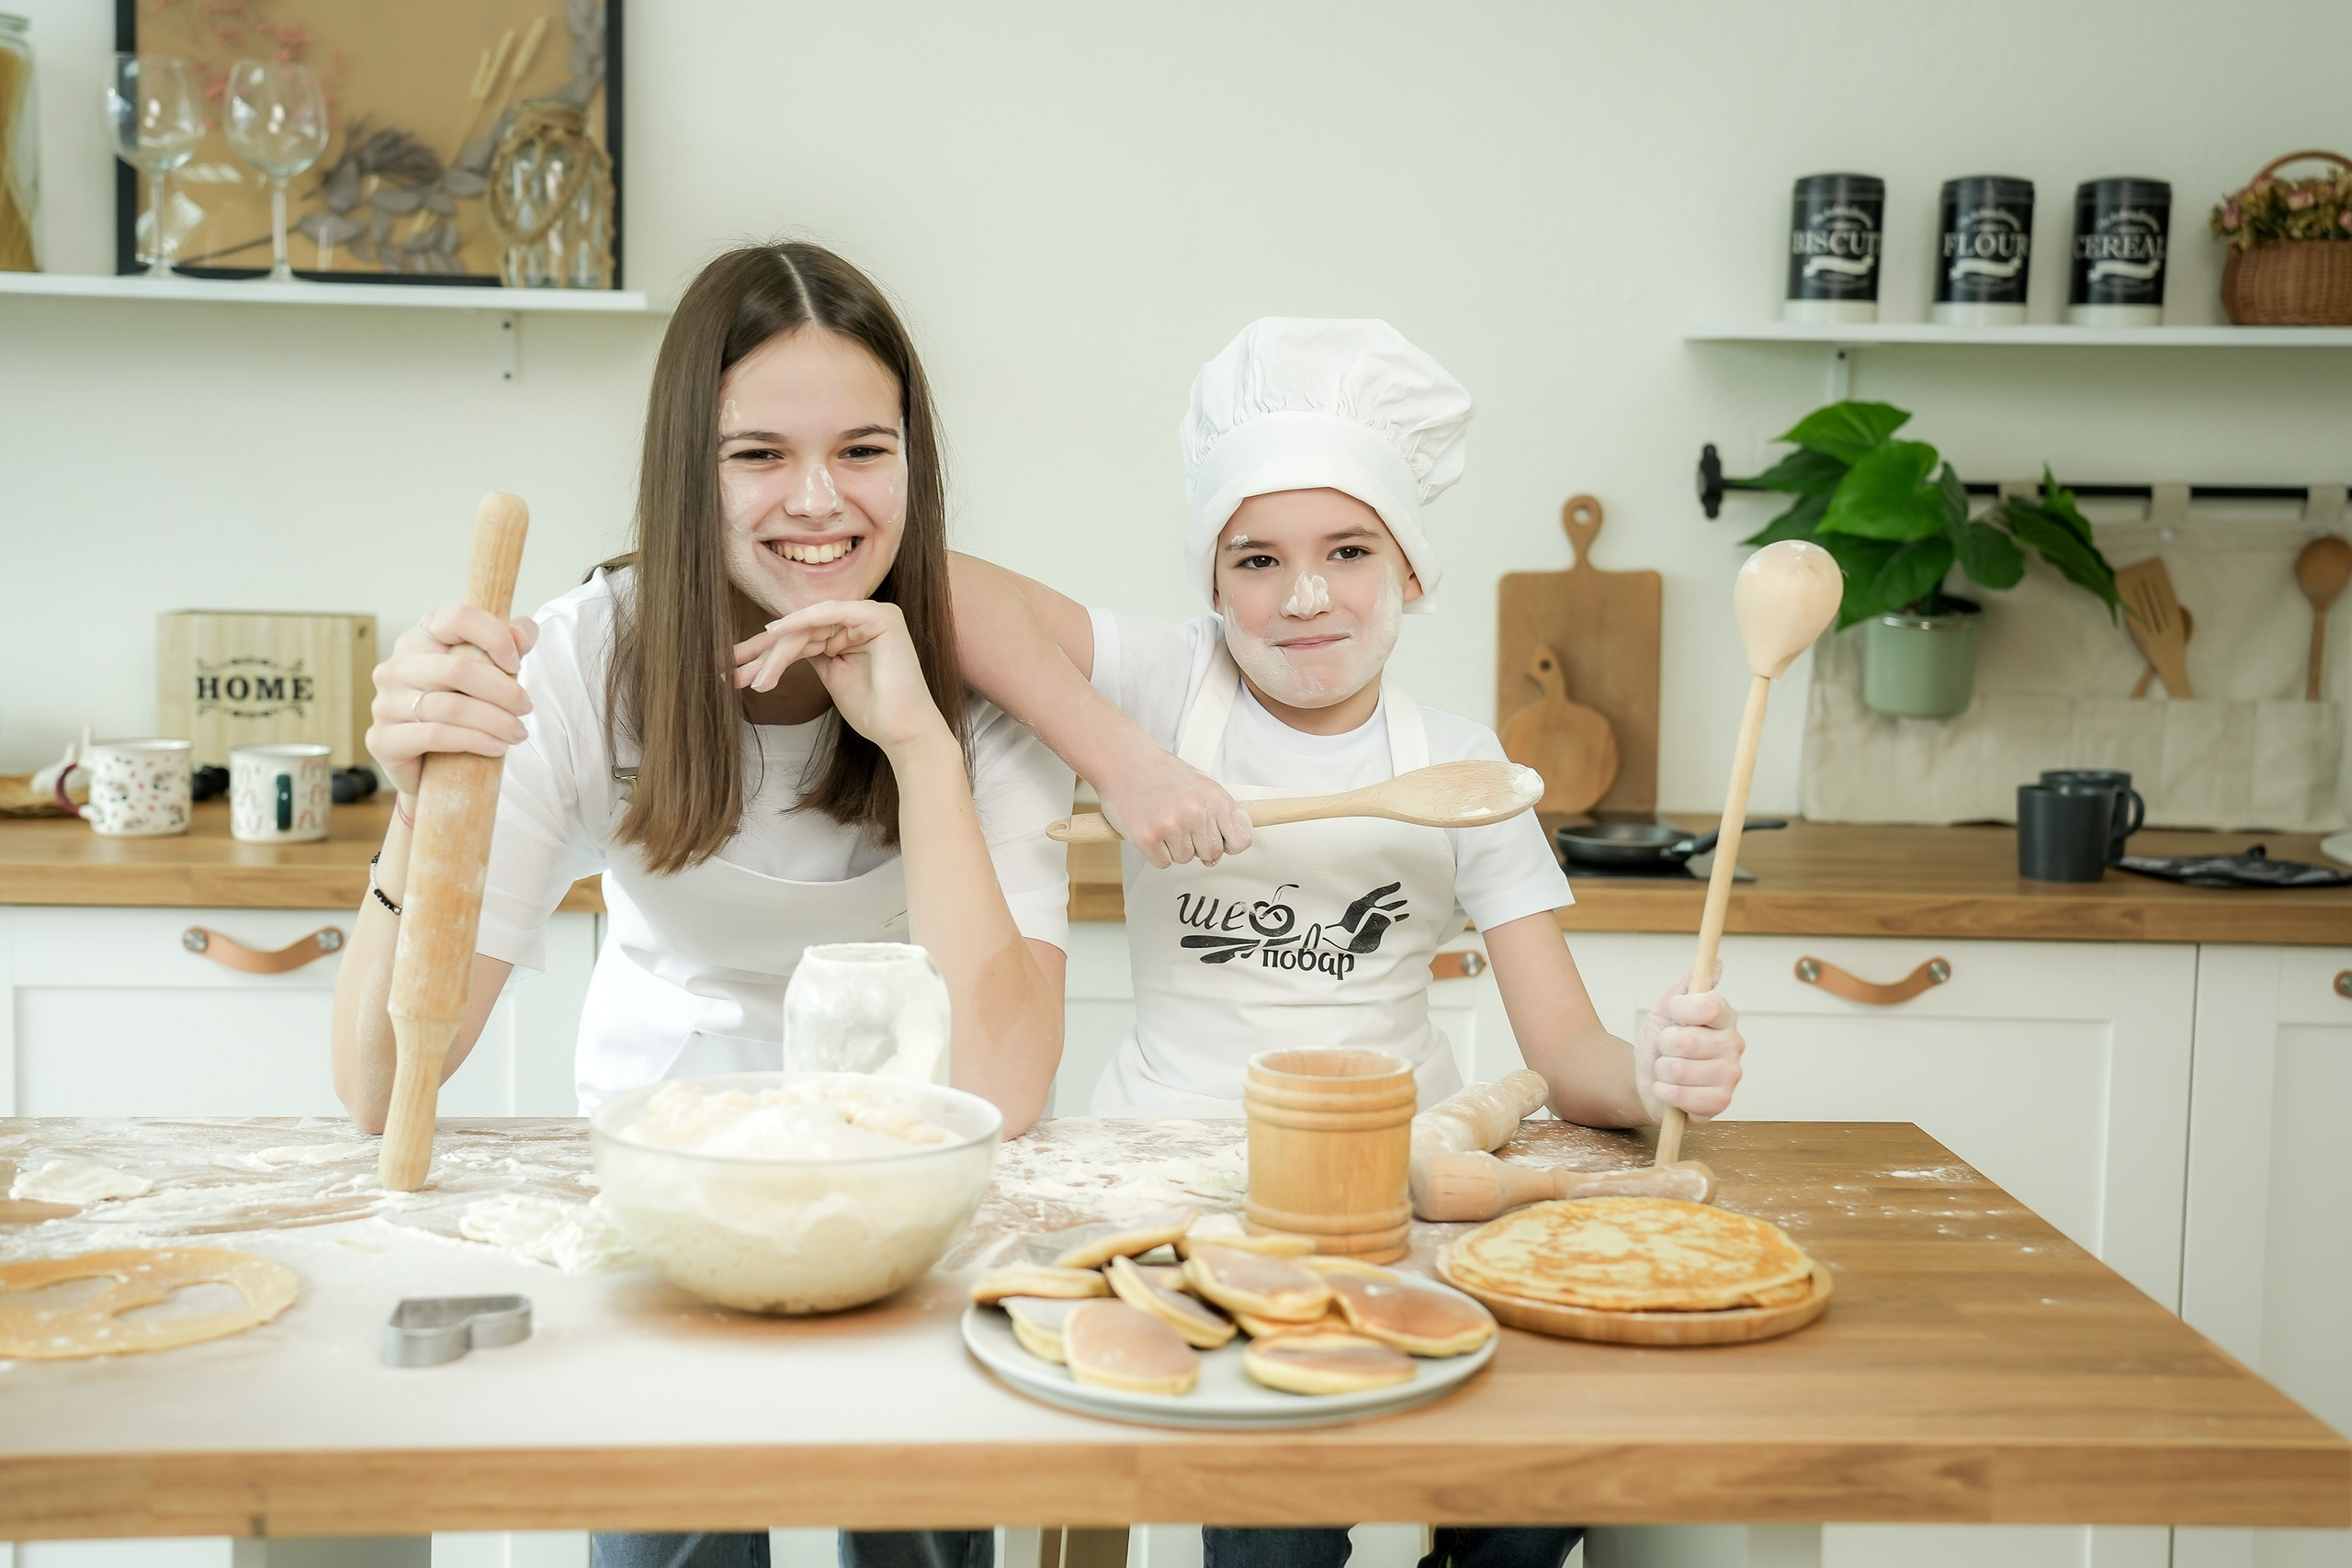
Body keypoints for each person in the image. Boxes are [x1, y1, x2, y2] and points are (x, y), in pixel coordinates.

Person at [954, 317, 1751, 1568]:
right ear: (1211, 586)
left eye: (1349, 550)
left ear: (1414, 572)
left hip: (1410, 1191)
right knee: (1277, 1511)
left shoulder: (1464, 770)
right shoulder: (1163, 687)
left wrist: (1652, 1076)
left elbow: (1565, 1048)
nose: (1306, 594)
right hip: (1175, 1184)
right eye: (1257, 559)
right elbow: (946, 587)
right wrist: (1125, 760)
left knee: (1543, 1471)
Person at [331, 242, 1074, 1568]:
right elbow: (388, 1081)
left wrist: (919, 749)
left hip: (920, 1196)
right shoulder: (578, 662)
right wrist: (422, 796)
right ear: (689, 466)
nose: (819, 503)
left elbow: (1004, 1083)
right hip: (657, 1194)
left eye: (863, 449)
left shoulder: (987, 685)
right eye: (757, 457)